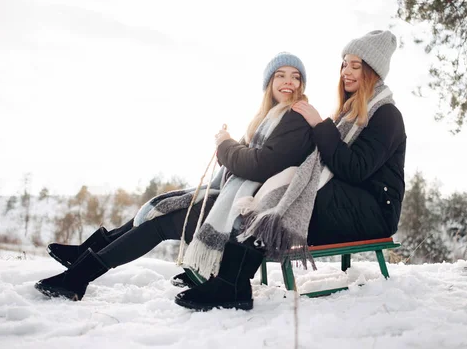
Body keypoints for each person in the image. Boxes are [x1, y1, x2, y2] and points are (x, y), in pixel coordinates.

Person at [34, 52, 315, 301]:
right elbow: (241, 159)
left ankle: (79, 276)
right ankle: (86, 255)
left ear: (302, 84)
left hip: (250, 209)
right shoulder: (267, 118)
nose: (288, 81)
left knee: (163, 221)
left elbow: (258, 165)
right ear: (269, 83)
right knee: (165, 203)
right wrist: (229, 148)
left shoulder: (296, 118)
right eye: (280, 75)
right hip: (237, 196)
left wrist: (226, 145)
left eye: (295, 76)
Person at [175, 30, 406, 311]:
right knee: (284, 183)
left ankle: (232, 283)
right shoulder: (348, 114)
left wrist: (320, 125)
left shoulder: (387, 115)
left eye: (355, 66)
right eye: (344, 64)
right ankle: (228, 277)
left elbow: (355, 169)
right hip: (347, 202)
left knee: (291, 193)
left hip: (374, 210)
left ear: (372, 72)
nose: (346, 71)